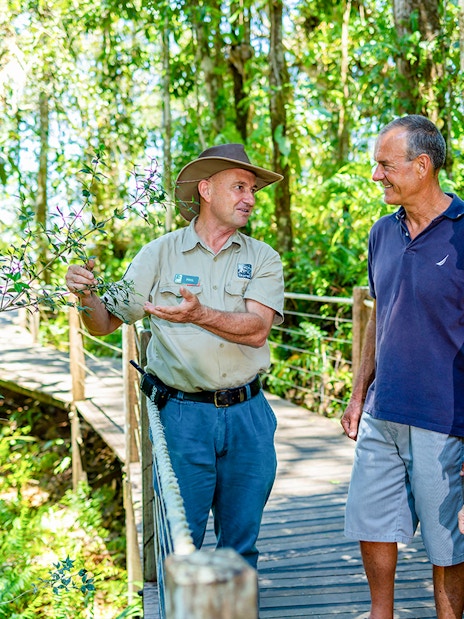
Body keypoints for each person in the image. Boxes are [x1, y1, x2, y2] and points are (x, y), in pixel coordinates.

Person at [65, 144, 285, 570]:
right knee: (180, 551)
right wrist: (87, 294)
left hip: (249, 417)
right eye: (239, 187)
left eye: (253, 190)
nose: (250, 199)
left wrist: (198, 313)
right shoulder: (158, 254)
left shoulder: (262, 257)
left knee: (240, 551)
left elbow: (258, 330)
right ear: (205, 189)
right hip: (183, 418)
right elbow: (105, 323)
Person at [341, 115, 464, 619]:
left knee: (446, 546)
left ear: (422, 165)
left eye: (384, 165)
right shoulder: (380, 234)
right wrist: (356, 395)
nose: (376, 176)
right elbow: (378, 317)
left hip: (444, 418)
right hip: (382, 410)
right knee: (372, 522)